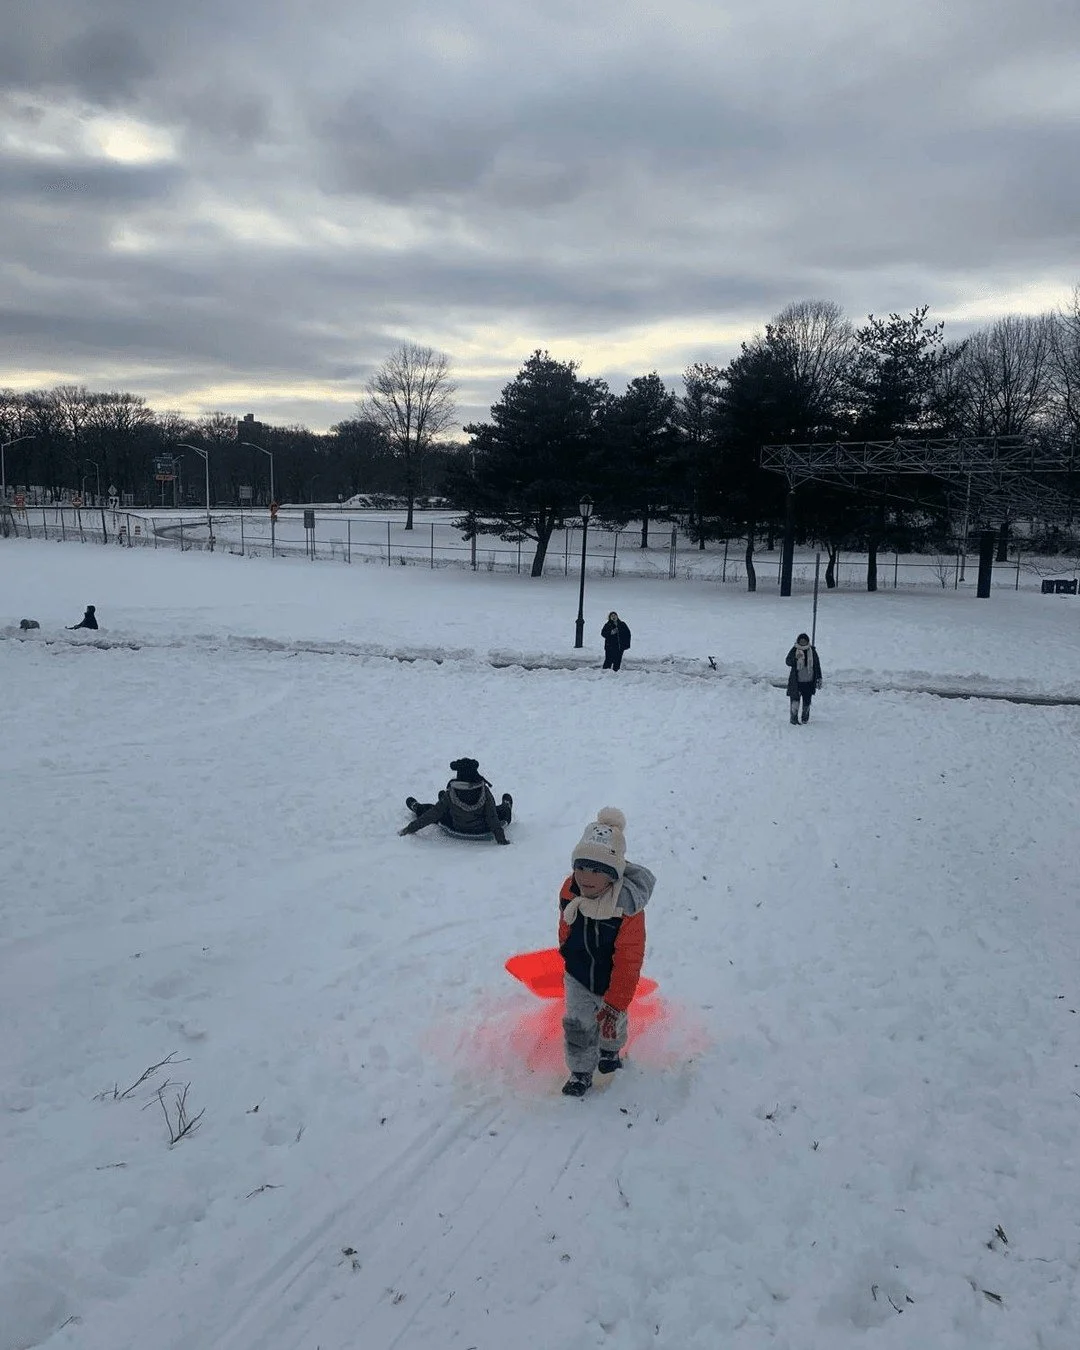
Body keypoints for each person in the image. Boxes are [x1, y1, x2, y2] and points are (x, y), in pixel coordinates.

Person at [557, 807, 655, 1097]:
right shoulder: (571, 889)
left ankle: (610, 1052)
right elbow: (565, 922)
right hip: (577, 973)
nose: (587, 876)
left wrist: (616, 1002)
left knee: (613, 1020)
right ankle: (580, 1072)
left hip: (612, 976)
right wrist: (566, 951)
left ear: (613, 875)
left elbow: (629, 959)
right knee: (578, 1023)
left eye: (598, 870)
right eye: (582, 867)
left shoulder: (626, 906)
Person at [399, 757, 512, 844]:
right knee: (503, 811)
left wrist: (410, 828)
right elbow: (491, 817)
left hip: (458, 826)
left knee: (436, 810)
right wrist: (501, 839)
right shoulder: (484, 792)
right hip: (481, 828)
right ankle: (506, 805)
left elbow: (433, 814)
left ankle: (417, 807)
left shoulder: (451, 793)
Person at [785, 632, 822, 724]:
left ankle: (805, 719)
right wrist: (796, 659)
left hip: (809, 682)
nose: (802, 642)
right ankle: (793, 719)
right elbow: (788, 661)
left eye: (804, 641)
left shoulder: (812, 651)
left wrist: (819, 677)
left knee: (807, 702)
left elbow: (817, 665)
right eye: (801, 641)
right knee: (795, 702)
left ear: (807, 641)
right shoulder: (794, 650)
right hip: (796, 682)